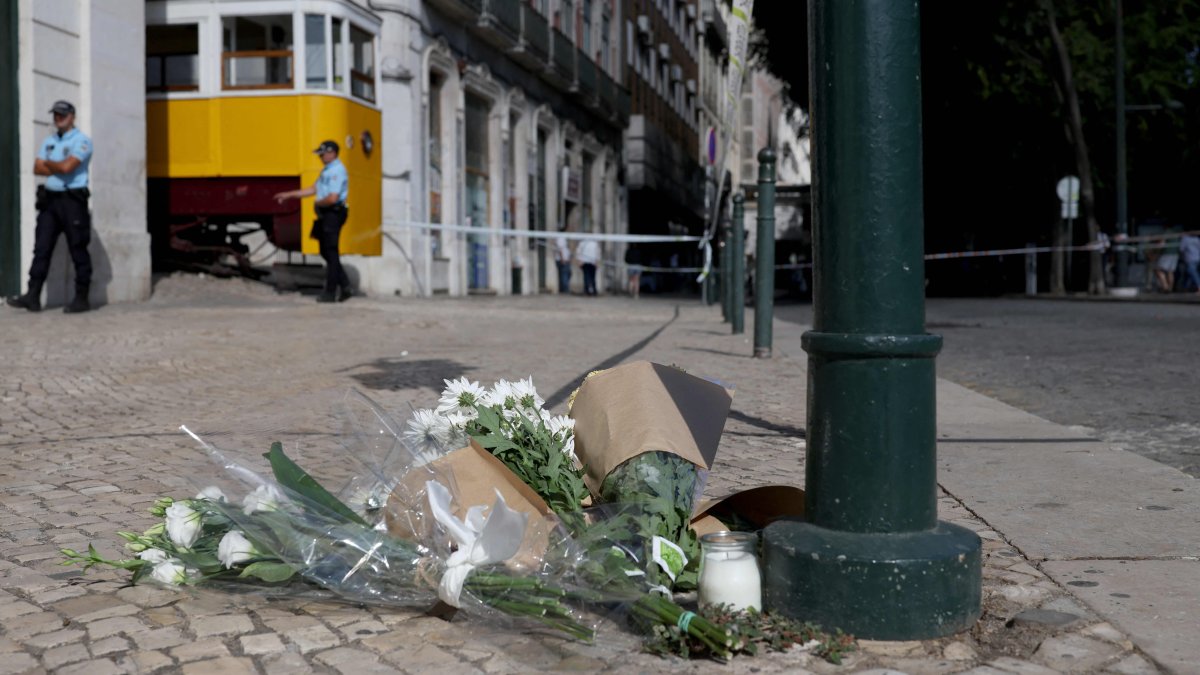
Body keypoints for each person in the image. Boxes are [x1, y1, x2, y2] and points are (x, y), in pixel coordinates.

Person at [7, 101, 94, 313]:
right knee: (41, 248)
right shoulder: (49, 140)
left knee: (78, 248)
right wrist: (58, 166)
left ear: (72, 116)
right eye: (55, 114)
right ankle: (33, 295)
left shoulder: (82, 140)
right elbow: (37, 167)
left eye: (62, 114)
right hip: (51, 201)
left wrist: (51, 165)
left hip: (73, 201)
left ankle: (81, 298)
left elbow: (67, 167)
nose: (58, 118)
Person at [275, 140, 352, 302]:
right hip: (326, 215)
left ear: (332, 153)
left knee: (331, 252)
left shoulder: (337, 171)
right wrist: (289, 194)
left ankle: (330, 292)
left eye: (323, 154)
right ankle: (345, 285)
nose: (321, 157)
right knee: (325, 250)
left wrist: (318, 203)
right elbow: (313, 189)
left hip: (333, 213)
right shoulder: (327, 171)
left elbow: (332, 198)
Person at [553, 227, 572, 293]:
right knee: (564, 274)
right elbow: (560, 249)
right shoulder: (561, 238)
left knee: (566, 274)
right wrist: (562, 259)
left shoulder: (563, 238)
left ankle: (563, 288)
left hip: (564, 259)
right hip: (562, 259)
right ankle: (565, 289)